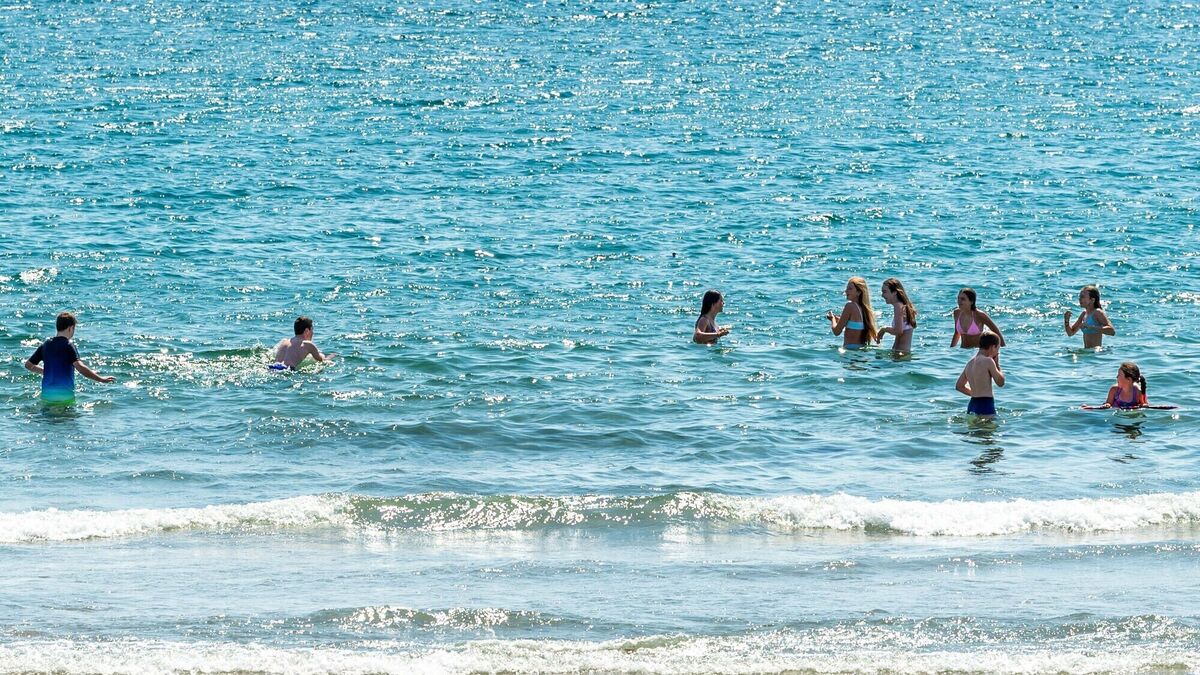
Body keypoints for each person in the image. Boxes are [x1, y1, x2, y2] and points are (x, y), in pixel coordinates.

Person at [23, 312, 115, 403]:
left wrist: (46, 372)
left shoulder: (45, 345)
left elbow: (28, 365)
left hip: (47, 395)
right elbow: (80, 367)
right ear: (71, 328)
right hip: (64, 396)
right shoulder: (68, 345)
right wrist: (100, 379)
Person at [955, 332, 1004, 417]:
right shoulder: (988, 361)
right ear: (993, 347)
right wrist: (997, 364)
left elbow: (959, 386)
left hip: (972, 404)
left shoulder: (970, 363)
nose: (997, 352)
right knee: (988, 426)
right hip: (985, 404)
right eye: (998, 348)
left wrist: (975, 393)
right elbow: (1000, 383)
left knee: (973, 425)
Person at [951, 287, 1005, 363]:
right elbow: (957, 333)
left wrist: (1003, 349)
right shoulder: (957, 313)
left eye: (963, 299)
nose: (959, 301)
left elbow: (996, 331)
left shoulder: (979, 315)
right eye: (958, 298)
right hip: (962, 353)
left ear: (971, 301)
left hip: (976, 353)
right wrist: (951, 351)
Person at [827, 277, 876, 349]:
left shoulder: (850, 306)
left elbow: (836, 332)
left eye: (850, 289)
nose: (846, 291)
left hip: (850, 351)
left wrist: (832, 319)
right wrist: (840, 320)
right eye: (846, 288)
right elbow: (854, 326)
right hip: (861, 351)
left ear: (859, 292)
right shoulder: (864, 309)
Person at [876, 277, 917, 353]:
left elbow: (898, 331)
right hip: (902, 354)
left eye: (884, 292)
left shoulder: (898, 306)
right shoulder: (903, 306)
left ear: (894, 292)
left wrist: (883, 329)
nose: (882, 295)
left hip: (900, 354)